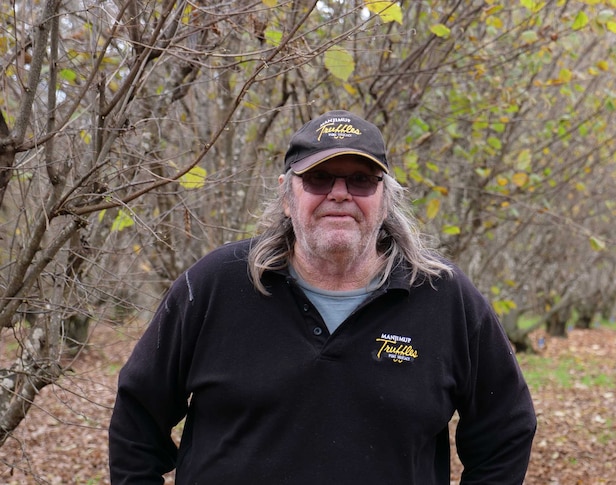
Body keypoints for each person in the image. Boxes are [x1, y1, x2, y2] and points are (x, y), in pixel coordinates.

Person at [108, 110, 537, 484]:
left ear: (385, 198)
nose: (339, 193)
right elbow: (137, 417)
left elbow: (506, 429)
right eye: (317, 178)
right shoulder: (214, 285)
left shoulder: (444, 296)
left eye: (361, 180)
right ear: (286, 193)